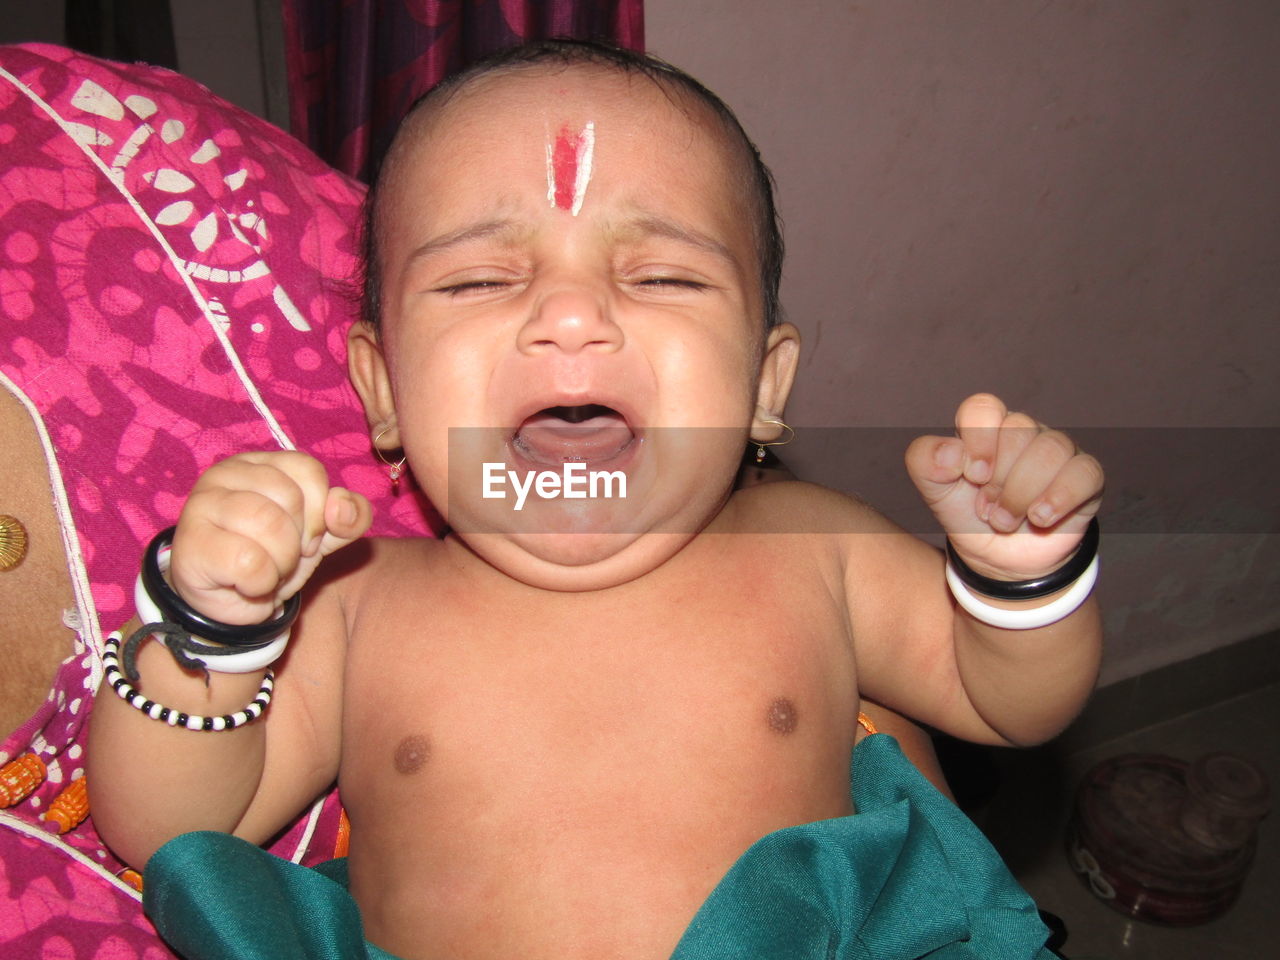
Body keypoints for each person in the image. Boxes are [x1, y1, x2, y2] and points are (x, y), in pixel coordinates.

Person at [87, 40, 1103, 960]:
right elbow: (173, 827)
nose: (570, 317)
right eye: (480, 281)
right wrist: (209, 633)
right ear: (384, 394)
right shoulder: (360, 600)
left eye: (660, 275)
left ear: (762, 387)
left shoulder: (809, 546)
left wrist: (1019, 577)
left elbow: (1002, 701)